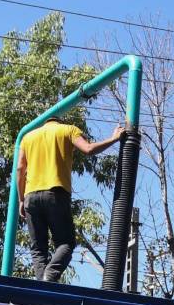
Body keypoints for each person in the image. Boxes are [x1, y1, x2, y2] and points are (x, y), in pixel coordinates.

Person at [17, 118, 124, 282]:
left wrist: (21, 200)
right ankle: (49, 276)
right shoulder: (68, 130)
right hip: (56, 192)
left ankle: (41, 288)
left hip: (30, 195)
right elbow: (88, 149)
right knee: (65, 243)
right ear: (60, 121)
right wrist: (114, 138)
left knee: (38, 249)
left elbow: (20, 169)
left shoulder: (28, 137)